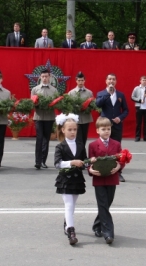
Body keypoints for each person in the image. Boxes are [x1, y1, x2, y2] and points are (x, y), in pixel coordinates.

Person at [54, 113, 92, 245]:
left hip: (77, 180)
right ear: (63, 130)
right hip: (65, 179)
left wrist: (89, 163)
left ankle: (66, 222)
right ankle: (71, 232)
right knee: (69, 204)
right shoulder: (60, 146)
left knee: (72, 205)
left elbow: (84, 162)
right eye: (69, 129)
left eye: (74, 129)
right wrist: (72, 162)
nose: (72, 132)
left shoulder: (80, 145)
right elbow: (57, 164)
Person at [88, 116, 124, 245]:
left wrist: (119, 166)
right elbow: (89, 162)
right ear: (97, 130)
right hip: (99, 179)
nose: (106, 131)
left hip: (112, 178)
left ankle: (97, 225)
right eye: (103, 129)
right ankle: (108, 232)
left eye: (108, 129)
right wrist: (90, 170)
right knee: (103, 205)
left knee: (106, 205)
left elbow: (121, 159)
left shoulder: (116, 144)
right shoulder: (92, 145)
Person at [95, 73, 128, 182]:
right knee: (104, 148)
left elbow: (126, 110)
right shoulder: (101, 93)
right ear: (106, 81)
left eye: (113, 79)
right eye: (109, 79)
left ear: (116, 81)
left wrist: (120, 117)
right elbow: (98, 104)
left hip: (117, 125)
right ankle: (103, 169)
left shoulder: (120, 95)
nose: (111, 81)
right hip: (105, 126)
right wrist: (108, 94)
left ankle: (118, 172)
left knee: (116, 149)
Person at [31, 69, 58, 169]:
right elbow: (32, 103)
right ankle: (37, 161)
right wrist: (37, 104)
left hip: (49, 117)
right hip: (38, 117)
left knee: (46, 139)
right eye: (43, 76)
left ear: (49, 77)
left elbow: (56, 103)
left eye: (46, 76)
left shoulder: (54, 90)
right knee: (39, 138)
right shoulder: (35, 89)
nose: (45, 78)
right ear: (40, 77)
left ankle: (43, 161)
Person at [67, 71, 93, 147]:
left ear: (84, 81)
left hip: (85, 118)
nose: (80, 82)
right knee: (77, 138)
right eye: (79, 80)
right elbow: (69, 106)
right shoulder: (71, 93)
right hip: (76, 119)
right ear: (76, 81)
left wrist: (87, 107)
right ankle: (78, 155)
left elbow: (92, 105)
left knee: (84, 138)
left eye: (82, 80)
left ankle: (82, 154)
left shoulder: (89, 93)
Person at [131, 76, 146, 142]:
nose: (144, 81)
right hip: (139, 107)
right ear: (140, 81)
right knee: (138, 122)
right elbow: (132, 97)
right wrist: (139, 100)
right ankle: (137, 136)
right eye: (143, 80)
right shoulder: (136, 88)